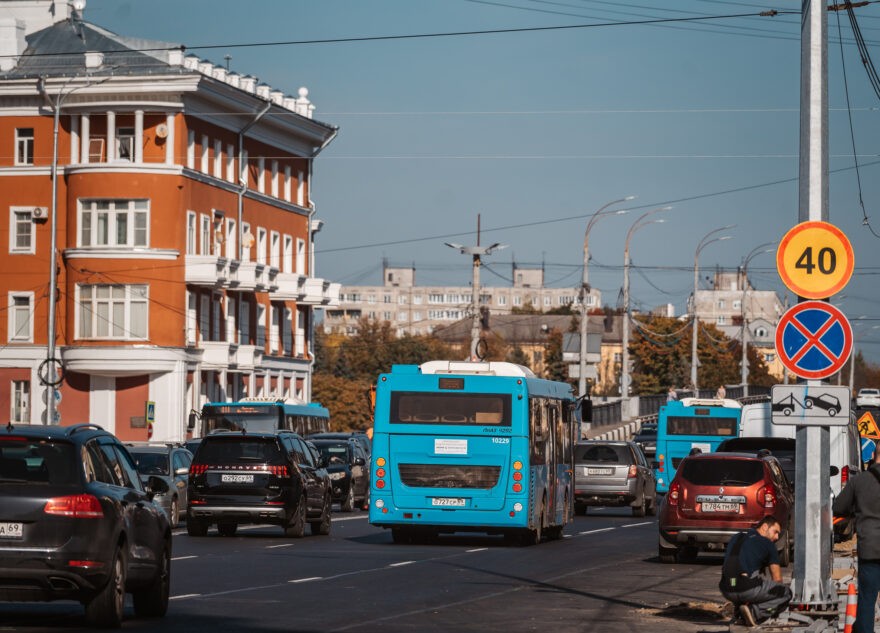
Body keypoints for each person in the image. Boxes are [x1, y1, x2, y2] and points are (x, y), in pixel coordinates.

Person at [833, 445, 880, 633]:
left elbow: (838, 507)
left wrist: (857, 509)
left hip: (869, 548)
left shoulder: (860, 481)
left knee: (867, 599)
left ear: (873, 456)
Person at [719, 515, 792, 626]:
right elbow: (777, 580)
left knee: (745, 580)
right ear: (764, 527)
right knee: (785, 593)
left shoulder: (737, 537)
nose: (777, 537)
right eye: (775, 532)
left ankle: (739, 613)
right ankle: (754, 613)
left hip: (726, 589)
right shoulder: (768, 544)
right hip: (746, 590)